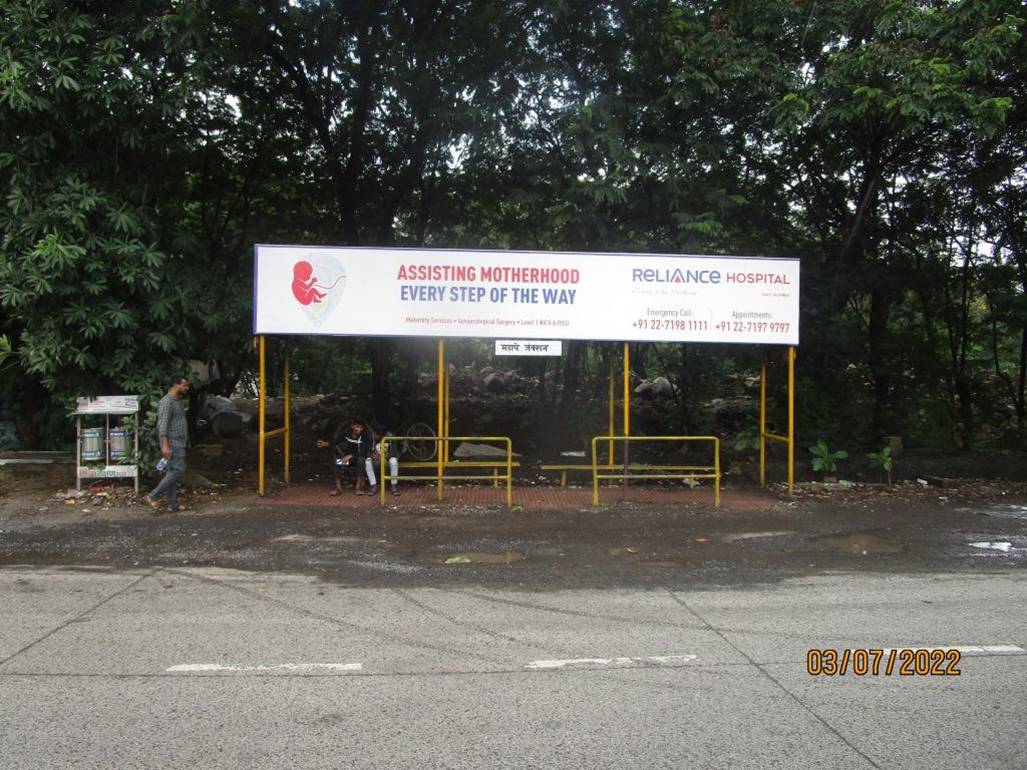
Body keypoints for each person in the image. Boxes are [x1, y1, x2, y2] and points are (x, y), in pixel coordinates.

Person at [146, 375, 190, 512]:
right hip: (173, 442)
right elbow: (162, 425)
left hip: (178, 442)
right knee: (178, 470)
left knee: (171, 472)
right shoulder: (167, 402)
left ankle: (173, 504)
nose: (187, 388)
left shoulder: (177, 401)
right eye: (184, 385)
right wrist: (165, 445)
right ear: (176, 385)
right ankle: (153, 495)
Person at [317, 418, 374, 495]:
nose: (359, 429)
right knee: (336, 462)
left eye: (361, 427)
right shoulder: (347, 433)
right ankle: (338, 488)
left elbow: (363, 452)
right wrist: (326, 444)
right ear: (352, 426)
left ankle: (358, 488)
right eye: (357, 427)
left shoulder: (365, 435)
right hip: (347, 460)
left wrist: (350, 456)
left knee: (361, 460)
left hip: (358, 459)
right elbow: (336, 441)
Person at [366, 427, 400, 496]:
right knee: (367, 461)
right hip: (375, 460)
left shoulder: (390, 437)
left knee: (394, 461)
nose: (373, 435)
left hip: (387, 460)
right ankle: (373, 485)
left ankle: (394, 485)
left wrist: (383, 456)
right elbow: (366, 451)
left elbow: (394, 453)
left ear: (380, 435)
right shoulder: (371, 438)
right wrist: (372, 455)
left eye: (375, 434)